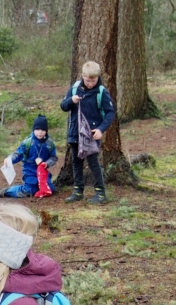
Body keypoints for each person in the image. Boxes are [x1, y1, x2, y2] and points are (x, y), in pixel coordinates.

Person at [60, 60, 115, 205]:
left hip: (91, 134)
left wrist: (101, 129)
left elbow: (110, 113)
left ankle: (100, 193)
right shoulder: (75, 88)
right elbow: (63, 106)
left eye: (93, 80)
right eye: (88, 80)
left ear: (97, 78)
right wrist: (71, 100)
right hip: (75, 132)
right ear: (82, 76)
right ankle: (78, 191)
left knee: (93, 163)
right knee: (76, 162)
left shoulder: (101, 92)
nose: (90, 83)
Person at [0, 114, 58, 199]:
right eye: (37, 129)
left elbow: (53, 157)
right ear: (34, 129)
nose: (40, 132)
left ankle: (39, 187)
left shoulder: (49, 143)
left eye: (42, 129)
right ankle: (8, 191)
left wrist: (46, 164)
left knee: (50, 189)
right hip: (30, 171)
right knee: (29, 191)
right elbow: (18, 153)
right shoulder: (28, 142)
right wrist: (9, 159)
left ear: (46, 131)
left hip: (43, 171)